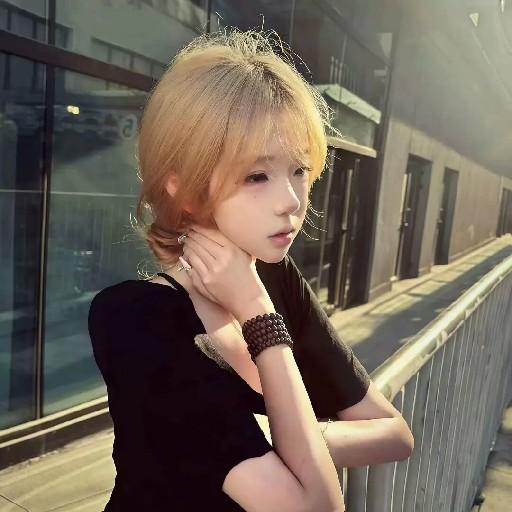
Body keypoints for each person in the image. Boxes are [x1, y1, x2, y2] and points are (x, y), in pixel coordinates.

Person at [88, 28, 373, 511]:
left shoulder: (276, 279)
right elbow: (316, 507)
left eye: (300, 169)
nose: (292, 200)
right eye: (257, 175)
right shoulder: (134, 317)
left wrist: (283, 439)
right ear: (183, 187)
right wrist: (258, 313)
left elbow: (396, 434)